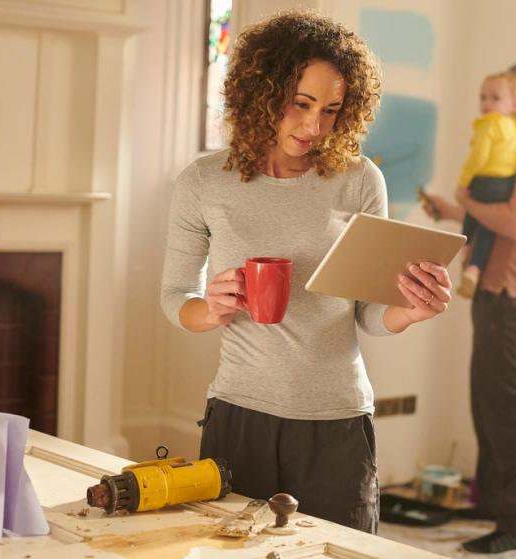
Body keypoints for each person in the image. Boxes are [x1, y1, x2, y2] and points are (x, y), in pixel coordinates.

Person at [160, 10, 452, 534]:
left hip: (337, 420)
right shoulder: (203, 182)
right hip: (240, 415)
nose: (313, 127)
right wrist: (212, 308)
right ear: (262, 92)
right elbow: (174, 296)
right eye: (300, 104)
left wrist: (408, 310)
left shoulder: (360, 180)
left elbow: (366, 312)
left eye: (331, 110)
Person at [423, 58, 516, 555]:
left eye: (504, 97)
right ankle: (493, 505)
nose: (497, 109)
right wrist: (455, 210)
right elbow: (497, 221)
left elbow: (513, 223)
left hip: (515, 293)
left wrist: (465, 197)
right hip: (499, 289)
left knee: (511, 409)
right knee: (487, 402)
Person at [453, 71, 516, 298]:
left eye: (495, 98)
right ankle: (475, 269)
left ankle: (464, 250)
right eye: (483, 97)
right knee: (488, 227)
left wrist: (463, 183)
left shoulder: (489, 124)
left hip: (484, 181)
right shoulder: (514, 127)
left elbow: (478, 157)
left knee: (472, 216)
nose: (486, 103)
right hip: (506, 185)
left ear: (515, 104)